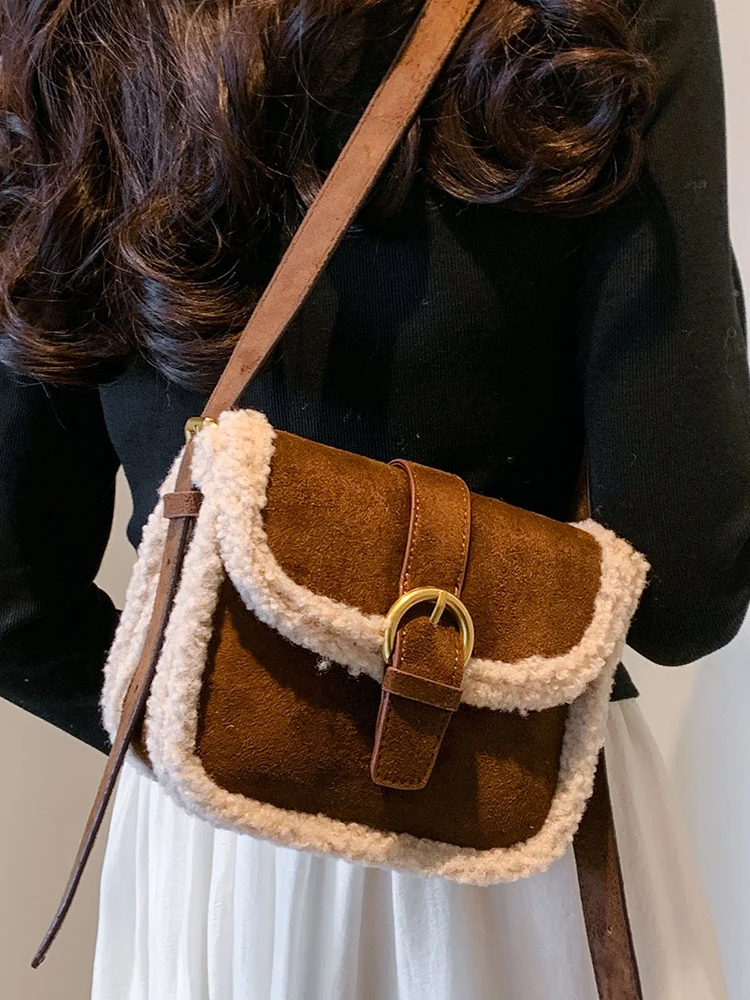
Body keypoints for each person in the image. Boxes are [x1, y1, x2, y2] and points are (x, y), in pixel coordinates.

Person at [1, 0, 747, 996]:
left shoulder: (65, 21)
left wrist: (244, 725)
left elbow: (13, 599)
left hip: (210, 850)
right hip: (509, 814)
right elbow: (684, 588)